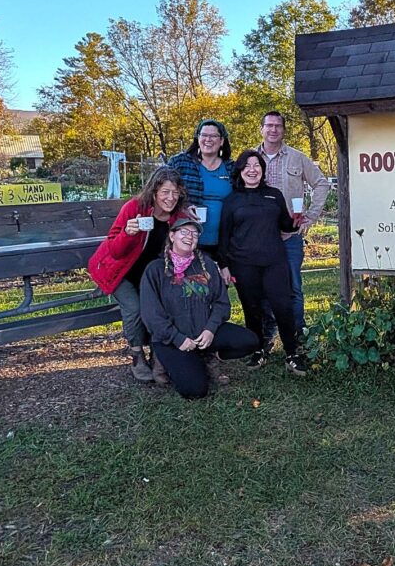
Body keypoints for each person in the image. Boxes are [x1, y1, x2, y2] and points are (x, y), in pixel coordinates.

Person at [139, 218, 259, 398]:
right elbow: (151, 315)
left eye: (194, 234)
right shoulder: (155, 270)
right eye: (184, 232)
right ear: (172, 236)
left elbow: (221, 302)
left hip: (203, 332)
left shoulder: (206, 265)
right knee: (195, 391)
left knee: (250, 340)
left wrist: (210, 330)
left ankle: (207, 353)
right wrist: (177, 338)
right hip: (171, 340)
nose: (190, 237)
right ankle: (163, 360)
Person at [88, 166, 187, 384]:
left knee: (160, 305)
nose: (170, 198)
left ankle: (158, 352)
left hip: (149, 275)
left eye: (175, 192)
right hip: (118, 271)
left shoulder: (178, 216)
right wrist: (128, 233)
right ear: (154, 192)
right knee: (134, 308)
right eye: (165, 192)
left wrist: (191, 227)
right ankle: (136, 354)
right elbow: (115, 250)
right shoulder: (134, 208)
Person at [219, 149, 306, 376]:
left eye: (256, 165)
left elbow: (285, 225)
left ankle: (292, 353)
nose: (252, 169)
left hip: (274, 262)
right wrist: (224, 265)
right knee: (253, 309)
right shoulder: (231, 200)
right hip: (243, 264)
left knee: (283, 306)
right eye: (247, 166)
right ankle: (259, 350)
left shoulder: (274, 195)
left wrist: (296, 220)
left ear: (262, 170)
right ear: (240, 171)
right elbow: (224, 236)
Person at [256, 111, 330, 341]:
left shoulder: (297, 158)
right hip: (260, 237)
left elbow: (321, 183)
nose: (273, 130)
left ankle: (299, 335)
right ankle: (267, 336)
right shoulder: (250, 158)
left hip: (291, 236)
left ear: (283, 130)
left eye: (278, 126)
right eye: (269, 125)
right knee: (264, 289)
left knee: (294, 288)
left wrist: (311, 215)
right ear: (261, 129)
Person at [168, 119, 236, 262]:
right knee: (190, 282)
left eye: (213, 136)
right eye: (204, 135)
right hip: (187, 239)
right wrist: (183, 207)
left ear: (222, 140)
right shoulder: (180, 163)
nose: (208, 139)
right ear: (197, 138)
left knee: (217, 282)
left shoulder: (232, 168)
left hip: (223, 240)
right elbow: (161, 189)